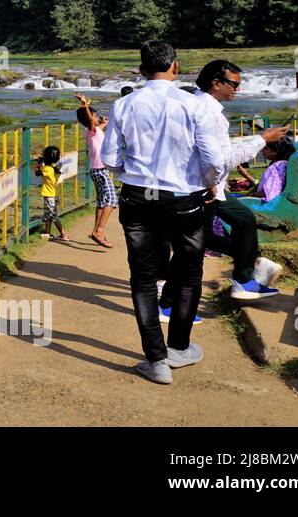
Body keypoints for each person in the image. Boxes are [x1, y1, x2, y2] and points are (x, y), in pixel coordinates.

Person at [101, 41, 226, 385]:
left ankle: (156, 360)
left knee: (142, 279)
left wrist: (136, 170)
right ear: (176, 66)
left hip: (138, 199)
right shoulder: (194, 104)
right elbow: (213, 159)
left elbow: (110, 158)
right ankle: (180, 348)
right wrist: (211, 183)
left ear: (141, 70)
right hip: (185, 199)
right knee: (188, 272)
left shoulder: (124, 104)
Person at [187, 60, 288, 302]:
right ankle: (169, 295)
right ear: (216, 83)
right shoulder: (209, 113)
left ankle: (245, 274)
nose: (237, 90)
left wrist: (258, 139)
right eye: (234, 84)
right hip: (207, 185)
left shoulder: (202, 106)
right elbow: (222, 160)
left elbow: (221, 152)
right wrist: (263, 139)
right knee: (198, 241)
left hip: (211, 185)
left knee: (235, 224)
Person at [75, 93, 116, 247]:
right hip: (100, 169)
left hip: (96, 169)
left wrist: (104, 123)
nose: (97, 117)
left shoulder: (94, 130)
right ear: (89, 118)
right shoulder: (90, 128)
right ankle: (99, 231)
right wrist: (85, 105)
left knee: (101, 202)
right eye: (95, 115)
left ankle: (96, 231)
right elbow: (92, 122)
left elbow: (98, 128)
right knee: (112, 200)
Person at [34, 145, 67, 241]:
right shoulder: (55, 168)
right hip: (53, 195)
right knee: (48, 215)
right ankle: (47, 233)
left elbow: (37, 173)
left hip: (49, 196)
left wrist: (39, 165)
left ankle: (63, 234)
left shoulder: (47, 169)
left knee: (53, 216)